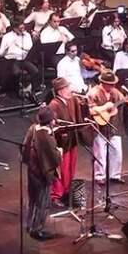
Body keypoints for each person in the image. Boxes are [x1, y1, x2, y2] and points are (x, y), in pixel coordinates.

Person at [22, 107, 61, 240]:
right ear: (50, 121)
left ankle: (30, 224)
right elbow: (55, 158)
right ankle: (37, 229)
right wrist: (59, 151)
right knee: (42, 202)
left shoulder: (33, 128)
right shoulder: (46, 137)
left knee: (32, 199)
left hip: (32, 170)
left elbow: (24, 147)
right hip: (41, 173)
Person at [87, 71, 128, 183]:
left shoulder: (116, 92)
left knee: (117, 152)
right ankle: (100, 176)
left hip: (114, 125)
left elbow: (124, 101)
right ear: (103, 83)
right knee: (100, 154)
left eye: (113, 84)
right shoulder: (94, 93)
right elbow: (90, 110)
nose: (112, 86)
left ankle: (115, 175)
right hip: (99, 127)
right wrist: (104, 108)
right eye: (110, 84)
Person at [48, 77, 84, 205]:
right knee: (61, 170)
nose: (70, 90)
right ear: (59, 91)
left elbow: (78, 118)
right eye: (66, 88)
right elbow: (51, 125)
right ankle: (57, 195)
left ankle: (68, 191)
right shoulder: (54, 104)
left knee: (70, 168)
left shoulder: (73, 100)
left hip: (72, 140)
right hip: (61, 143)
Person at [0, 19, 37, 97]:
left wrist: (19, 45)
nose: (23, 30)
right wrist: (6, 49)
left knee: (35, 71)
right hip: (12, 60)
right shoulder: (7, 37)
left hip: (24, 59)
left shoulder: (27, 35)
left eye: (23, 28)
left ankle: (32, 91)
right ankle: (18, 91)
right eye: (20, 29)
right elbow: (0, 54)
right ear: (14, 28)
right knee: (16, 73)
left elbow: (30, 48)